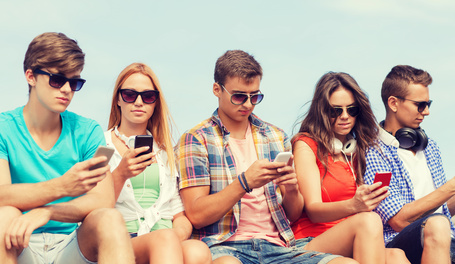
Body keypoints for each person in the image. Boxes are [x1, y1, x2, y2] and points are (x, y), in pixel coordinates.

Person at [176, 50, 355, 264]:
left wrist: (291, 190)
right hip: (224, 247)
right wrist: (244, 182)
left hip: (278, 247)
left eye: (255, 96)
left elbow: (294, 214)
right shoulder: (196, 139)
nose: (248, 104)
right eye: (239, 96)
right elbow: (196, 215)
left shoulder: (275, 136)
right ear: (217, 90)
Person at [0, 32, 135, 263]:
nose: (66, 89)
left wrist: (46, 212)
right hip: (18, 243)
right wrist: (63, 186)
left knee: (109, 218)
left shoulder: (87, 130)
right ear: (30, 76)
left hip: (71, 245)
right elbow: (2, 195)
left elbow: (102, 200)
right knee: (5, 216)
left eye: (74, 82)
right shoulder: (4, 127)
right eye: (57, 80)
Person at [290, 72, 409, 264]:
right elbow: (313, 210)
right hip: (311, 241)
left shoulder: (358, 150)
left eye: (351, 110)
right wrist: (354, 205)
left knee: (397, 256)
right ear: (322, 111)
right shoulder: (306, 144)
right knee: (368, 220)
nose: (345, 117)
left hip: (355, 240)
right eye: (335, 111)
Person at [105, 62, 212, 264]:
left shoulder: (166, 153)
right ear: (118, 99)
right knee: (163, 239)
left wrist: (176, 235)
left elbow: (178, 214)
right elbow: (95, 206)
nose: (138, 102)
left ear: (155, 103)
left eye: (147, 97)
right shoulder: (101, 144)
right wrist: (120, 174)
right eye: (129, 95)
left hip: (166, 237)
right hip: (124, 238)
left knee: (198, 250)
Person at [364, 65, 455, 264]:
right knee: (438, 224)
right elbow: (398, 220)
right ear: (394, 103)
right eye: (420, 105)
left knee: (439, 224)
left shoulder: (430, 147)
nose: (427, 111)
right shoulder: (373, 152)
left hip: (442, 237)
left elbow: (439, 208)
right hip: (398, 243)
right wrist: (451, 186)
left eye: (428, 103)